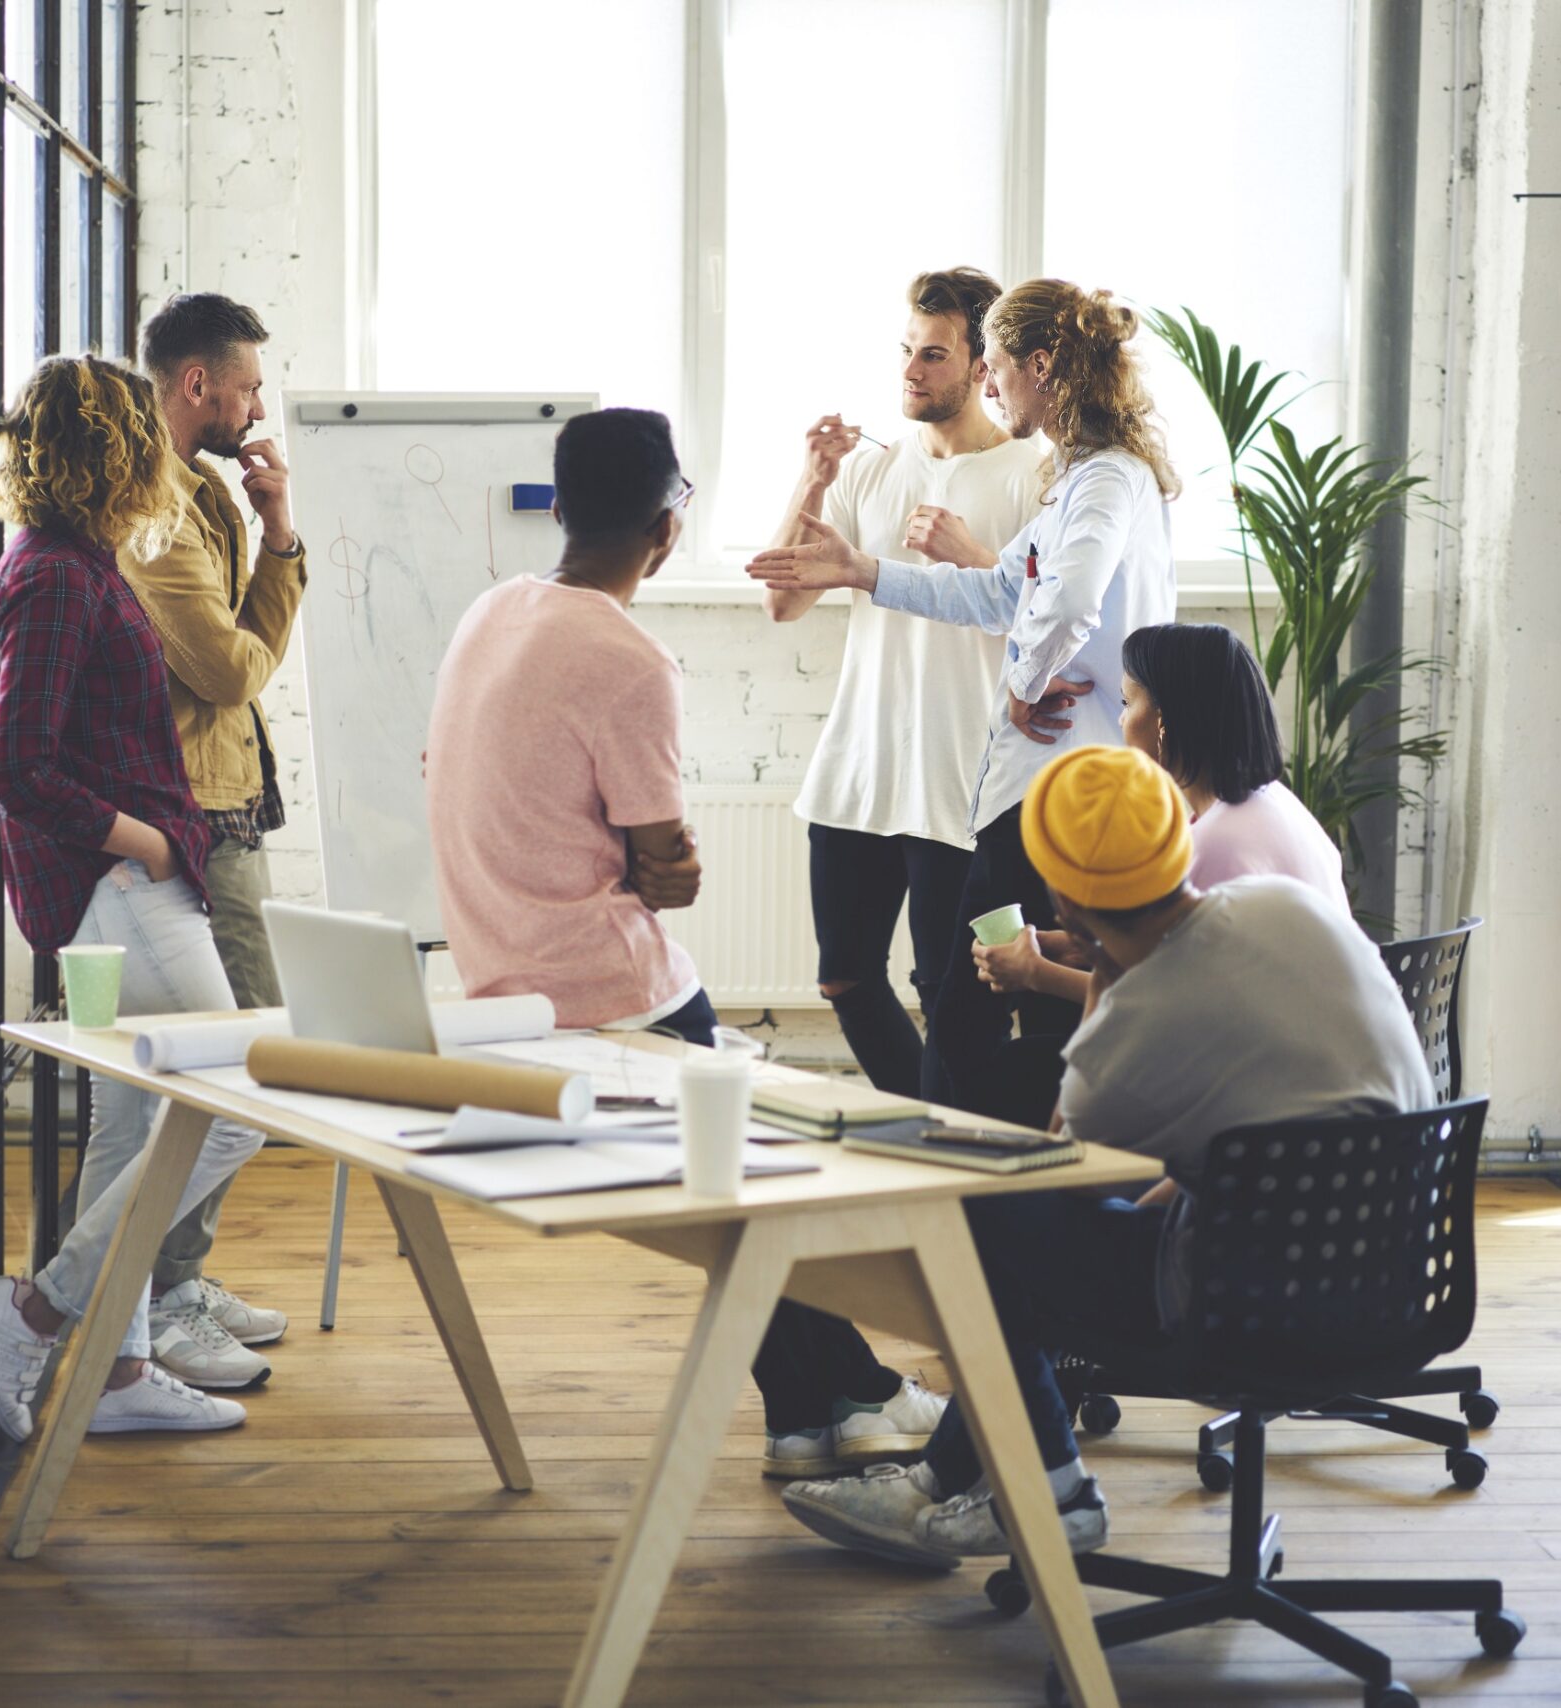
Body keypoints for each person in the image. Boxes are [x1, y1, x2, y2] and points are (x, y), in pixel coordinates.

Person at [425, 406, 944, 1477]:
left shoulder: (490, 612)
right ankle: (850, 1399)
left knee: (734, 1199)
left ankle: (823, 1410)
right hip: (610, 991)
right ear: (668, 528)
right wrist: (674, 863)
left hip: (495, 979)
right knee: (760, 1185)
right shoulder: (627, 656)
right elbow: (667, 870)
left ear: (559, 509)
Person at [774, 744, 1432, 1566]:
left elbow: (1059, 1183)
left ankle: (1054, 1487)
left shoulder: (1129, 1037)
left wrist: (1099, 974)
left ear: (1062, 895)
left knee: (986, 1221)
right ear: (1178, 839)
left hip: (1240, 1311)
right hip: (1402, 1286)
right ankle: (937, 1483)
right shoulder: (1285, 907)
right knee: (1068, 1238)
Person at [748, 279, 1178, 1129]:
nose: (989, 385)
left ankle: (980, 1185)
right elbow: (995, 595)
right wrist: (864, 571)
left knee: (973, 1014)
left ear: (1037, 367)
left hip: (1057, 791)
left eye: (999, 367)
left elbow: (1070, 597)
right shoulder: (1080, 479)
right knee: (971, 1013)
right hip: (1031, 792)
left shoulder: (1097, 481)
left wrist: (1019, 687)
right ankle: (991, 1181)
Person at [0, 353, 266, 1440]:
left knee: (130, 1119)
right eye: (140, 431)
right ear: (112, 448)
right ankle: (39, 1309)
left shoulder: (70, 560)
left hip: (123, 887)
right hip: (122, 888)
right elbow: (22, 765)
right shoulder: (53, 573)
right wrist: (142, 842)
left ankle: (121, 1371)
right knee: (236, 1108)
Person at [764, 268, 1048, 1096]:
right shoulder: (867, 471)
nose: (912, 372)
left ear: (981, 365)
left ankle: (944, 1171)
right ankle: (920, 1133)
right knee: (844, 981)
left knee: (949, 997)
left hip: (965, 781)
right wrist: (814, 475)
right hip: (862, 769)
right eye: (906, 353)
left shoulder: (1034, 472)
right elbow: (784, 602)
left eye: (934, 355)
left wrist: (977, 557)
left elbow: (1055, 618)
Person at [108, 291, 308, 1392]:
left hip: (228, 802)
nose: (257, 402)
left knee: (233, 1061)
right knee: (231, 1068)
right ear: (197, 386)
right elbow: (228, 670)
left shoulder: (200, 494)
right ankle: (148, 1291)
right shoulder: (153, 508)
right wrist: (281, 542)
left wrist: (272, 529)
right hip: (185, 815)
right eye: (247, 385)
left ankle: (174, 1277)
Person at [970, 621, 1346, 1009]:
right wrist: (1074, 944)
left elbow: (1165, 1005)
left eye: (1126, 704)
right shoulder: (1271, 805)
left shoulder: (1216, 844)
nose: (1121, 721)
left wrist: (1036, 973)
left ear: (1164, 724)